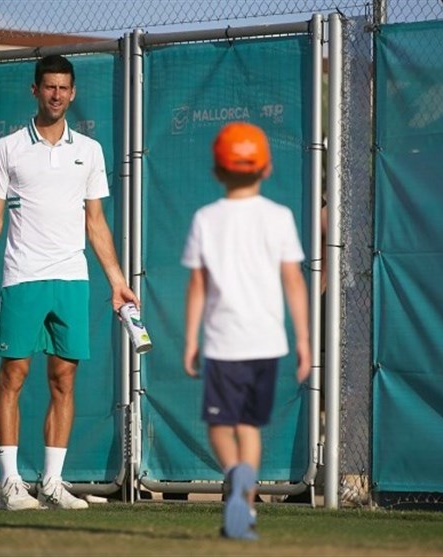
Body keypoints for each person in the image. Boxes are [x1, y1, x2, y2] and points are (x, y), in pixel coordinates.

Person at [0, 54, 138, 511]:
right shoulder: (8, 147)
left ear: (72, 94)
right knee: (13, 375)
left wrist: (117, 281)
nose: (56, 94)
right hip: (22, 278)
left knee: (64, 379)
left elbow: (96, 223)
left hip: (71, 279)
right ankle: (11, 484)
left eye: (63, 88)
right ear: (34, 91)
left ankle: (52, 483)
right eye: (48, 86)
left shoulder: (89, 151)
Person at [182, 122, 311, 540]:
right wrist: (306, 341)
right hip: (267, 344)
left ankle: (236, 477)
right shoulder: (281, 217)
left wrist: (190, 340)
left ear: (218, 171)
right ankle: (245, 508)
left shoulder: (205, 218)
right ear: (267, 168)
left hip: (222, 343)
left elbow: (198, 284)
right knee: (251, 428)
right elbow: (294, 280)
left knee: (221, 426)